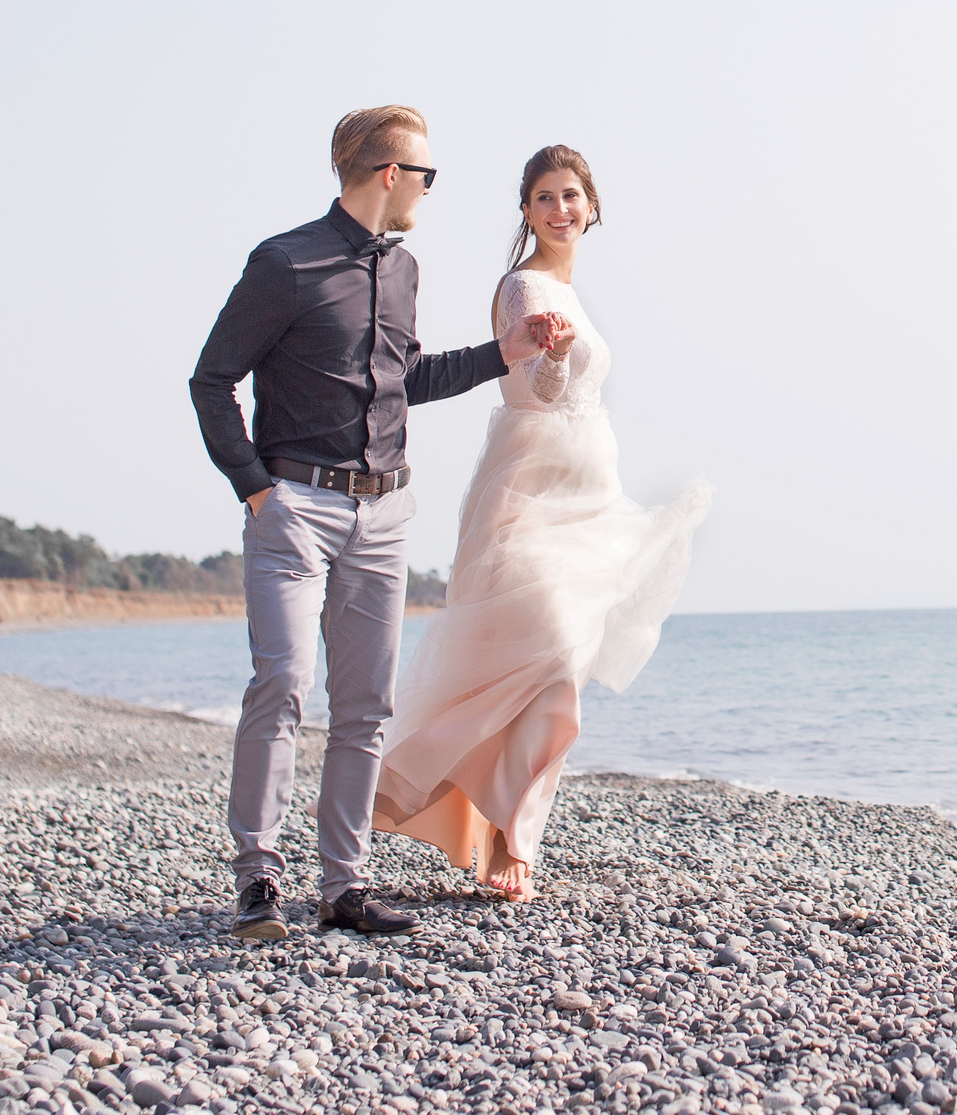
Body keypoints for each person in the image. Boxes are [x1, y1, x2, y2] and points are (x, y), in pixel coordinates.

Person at [189, 105, 568, 942]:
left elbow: (408, 379)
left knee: (364, 706)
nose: (430, 190)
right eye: (425, 174)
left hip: (385, 510)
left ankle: (343, 886)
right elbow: (212, 381)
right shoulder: (283, 263)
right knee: (281, 687)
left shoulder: (403, 272)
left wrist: (506, 353)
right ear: (389, 174)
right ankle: (257, 878)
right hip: (295, 510)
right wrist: (257, 490)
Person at [372, 144, 709, 901]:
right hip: (526, 490)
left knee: (560, 661)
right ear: (526, 210)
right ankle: (501, 835)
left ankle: (509, 835)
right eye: (545, 197)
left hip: (588, 496)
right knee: (543, 653)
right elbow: (539, 381)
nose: (561, 209)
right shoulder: (524, 287)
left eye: (572, 195)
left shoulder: (573, 288)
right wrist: (550, 357)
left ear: (592, 206)